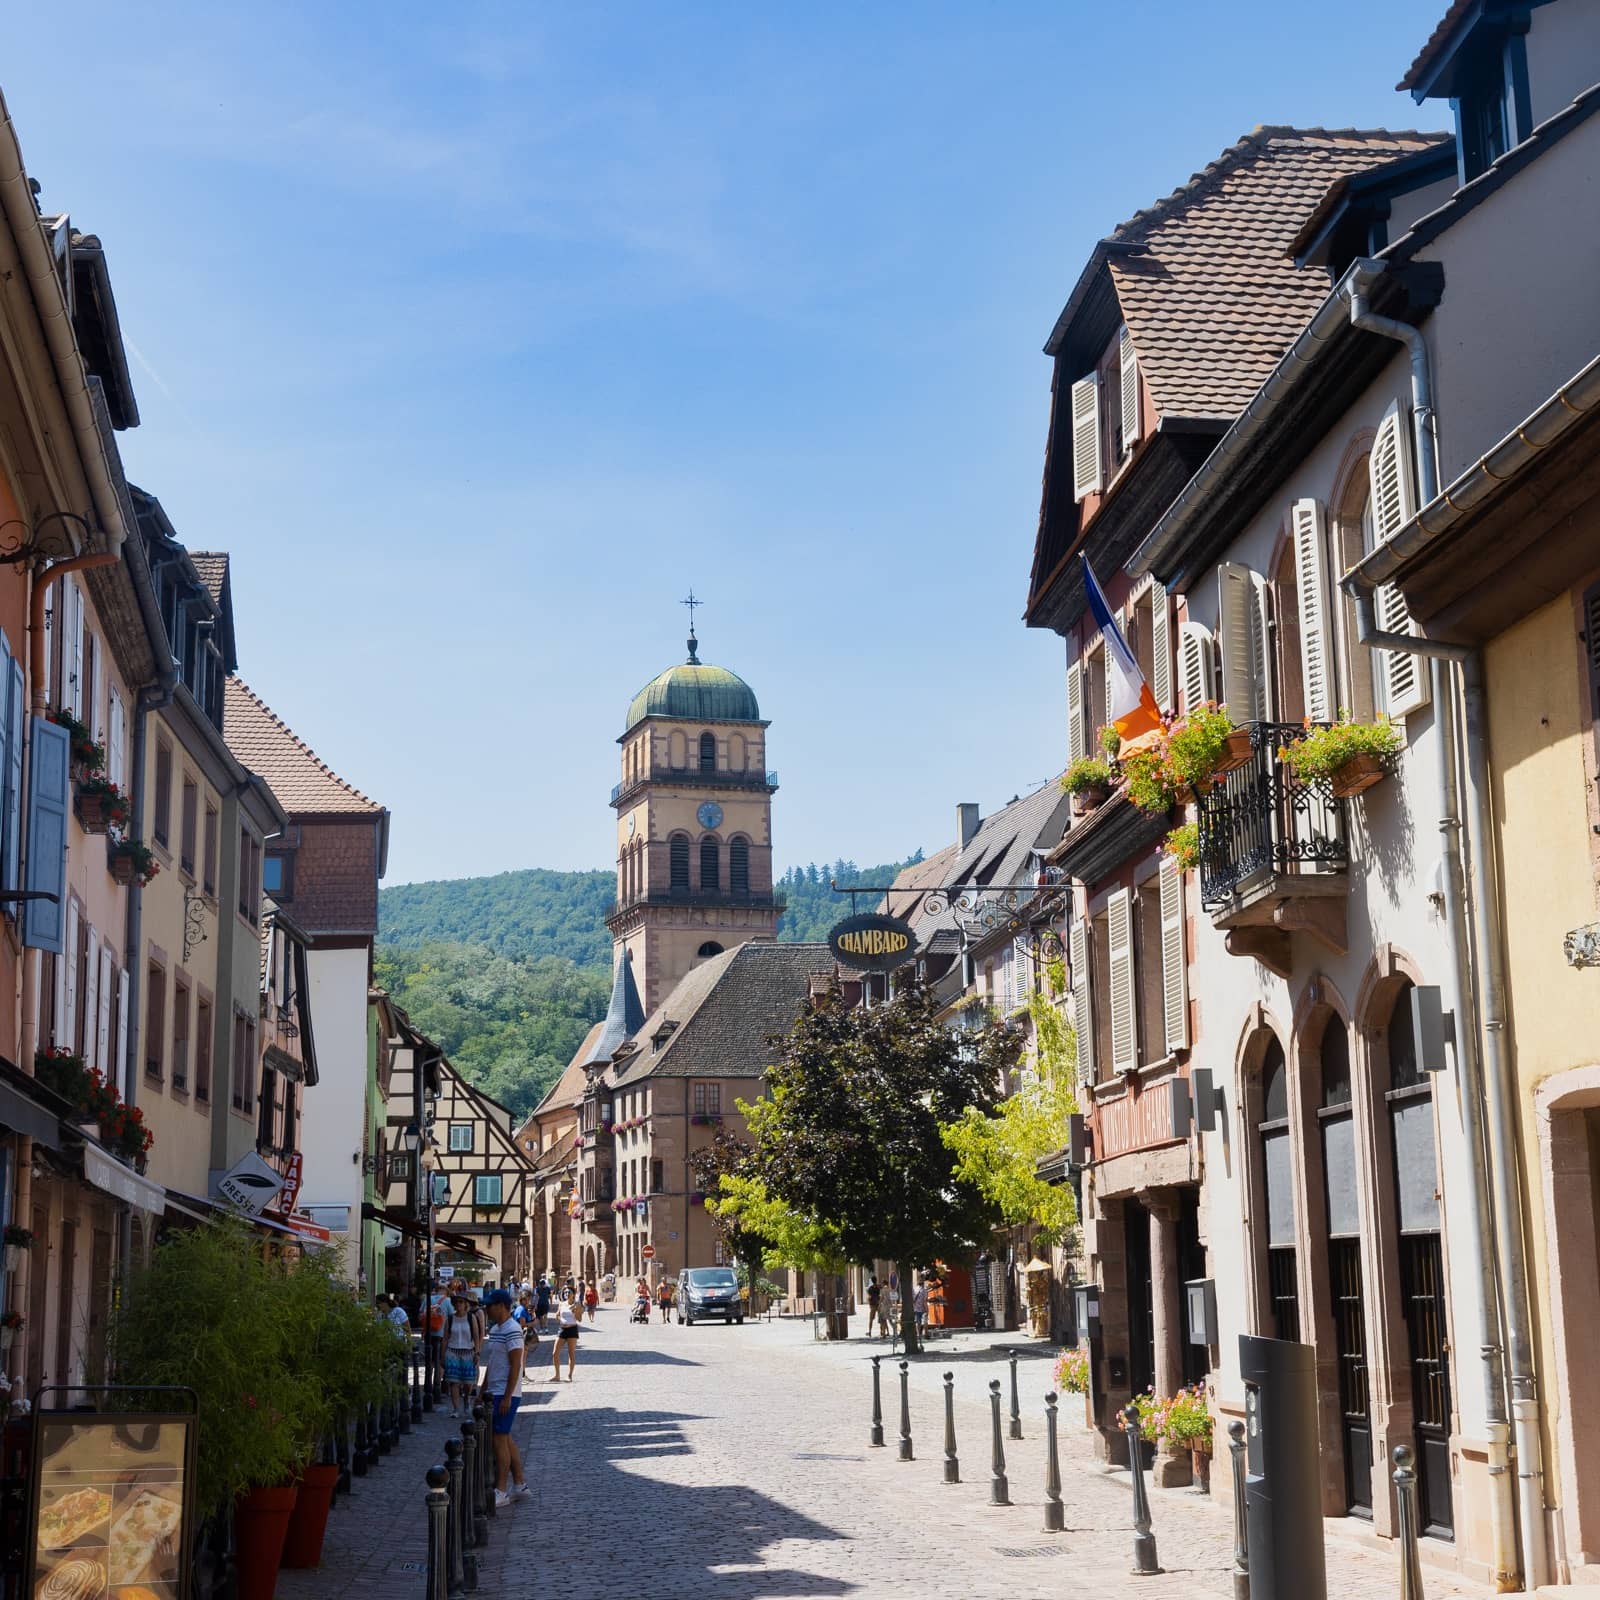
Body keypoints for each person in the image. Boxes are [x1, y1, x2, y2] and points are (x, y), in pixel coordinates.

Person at [478, 1290, 526, 1507]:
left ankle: (501, 1490)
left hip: (506, 1393)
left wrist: (507, 1396)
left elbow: (516, 1365)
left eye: (490, 1306)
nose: (487, 1310)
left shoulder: (513, 1330)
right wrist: (482, 1390)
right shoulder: (496, 1329)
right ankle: (519, 1484)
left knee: (499, 1440)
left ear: (501, 1306)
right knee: (505, 1438)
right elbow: (493, 1363)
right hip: (495, 1390)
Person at [443, 1290, 483, 1419]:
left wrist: (477, 1352)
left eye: (461, 1302)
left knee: (468, 1382)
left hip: (468, 1352)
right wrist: (442, 1355)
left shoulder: (471, 1318)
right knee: (454, 1382)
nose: (458, 1304)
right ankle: (456, 1409)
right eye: (457, 1302)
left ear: (466, 1304)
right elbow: (445, 1338)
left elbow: (476, 1336)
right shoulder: (450, 1318)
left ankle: (466, 1399)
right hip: (452, 1351)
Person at [550, 1295, 580, 1381]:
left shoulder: (577, 1304)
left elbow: (579, 1319)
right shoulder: (561, 1304)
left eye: (569, 1292)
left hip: (572, 1329)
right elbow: (557, 1315)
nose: (567, 1293)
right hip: (562, 1329)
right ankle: (557, 1375)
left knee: (571, 1353)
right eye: (565, 1291)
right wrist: (560, 1319)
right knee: (555, 1353)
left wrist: (575, 1311)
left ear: (573, 1294)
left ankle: (569, 1376)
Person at [913, 1276, 930, 1341]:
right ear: (923, 1282)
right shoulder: (924, 1290)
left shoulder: (915, 1289)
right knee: (925, 1321)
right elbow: (924, 1301)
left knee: (918, 1322)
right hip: (923, 1309)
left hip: (916, 1308)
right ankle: (926, 1334)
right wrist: (927, 1309)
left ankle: (918, 1334)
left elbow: (913, 1299)